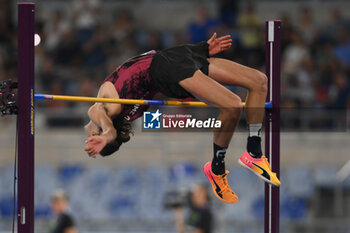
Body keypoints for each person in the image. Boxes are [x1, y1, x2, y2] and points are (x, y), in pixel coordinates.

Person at [84, 33, 281, 204]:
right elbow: (108, 129)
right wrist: (104, 137)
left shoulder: (116, 108)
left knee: (259, 81)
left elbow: (104, 124)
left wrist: (202, 48)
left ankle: (253, 152)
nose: (89, 134)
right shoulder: (113, 112)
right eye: (93, 135)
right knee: (233, 105)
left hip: (173, 57)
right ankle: (218, 168)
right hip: (168, 70)